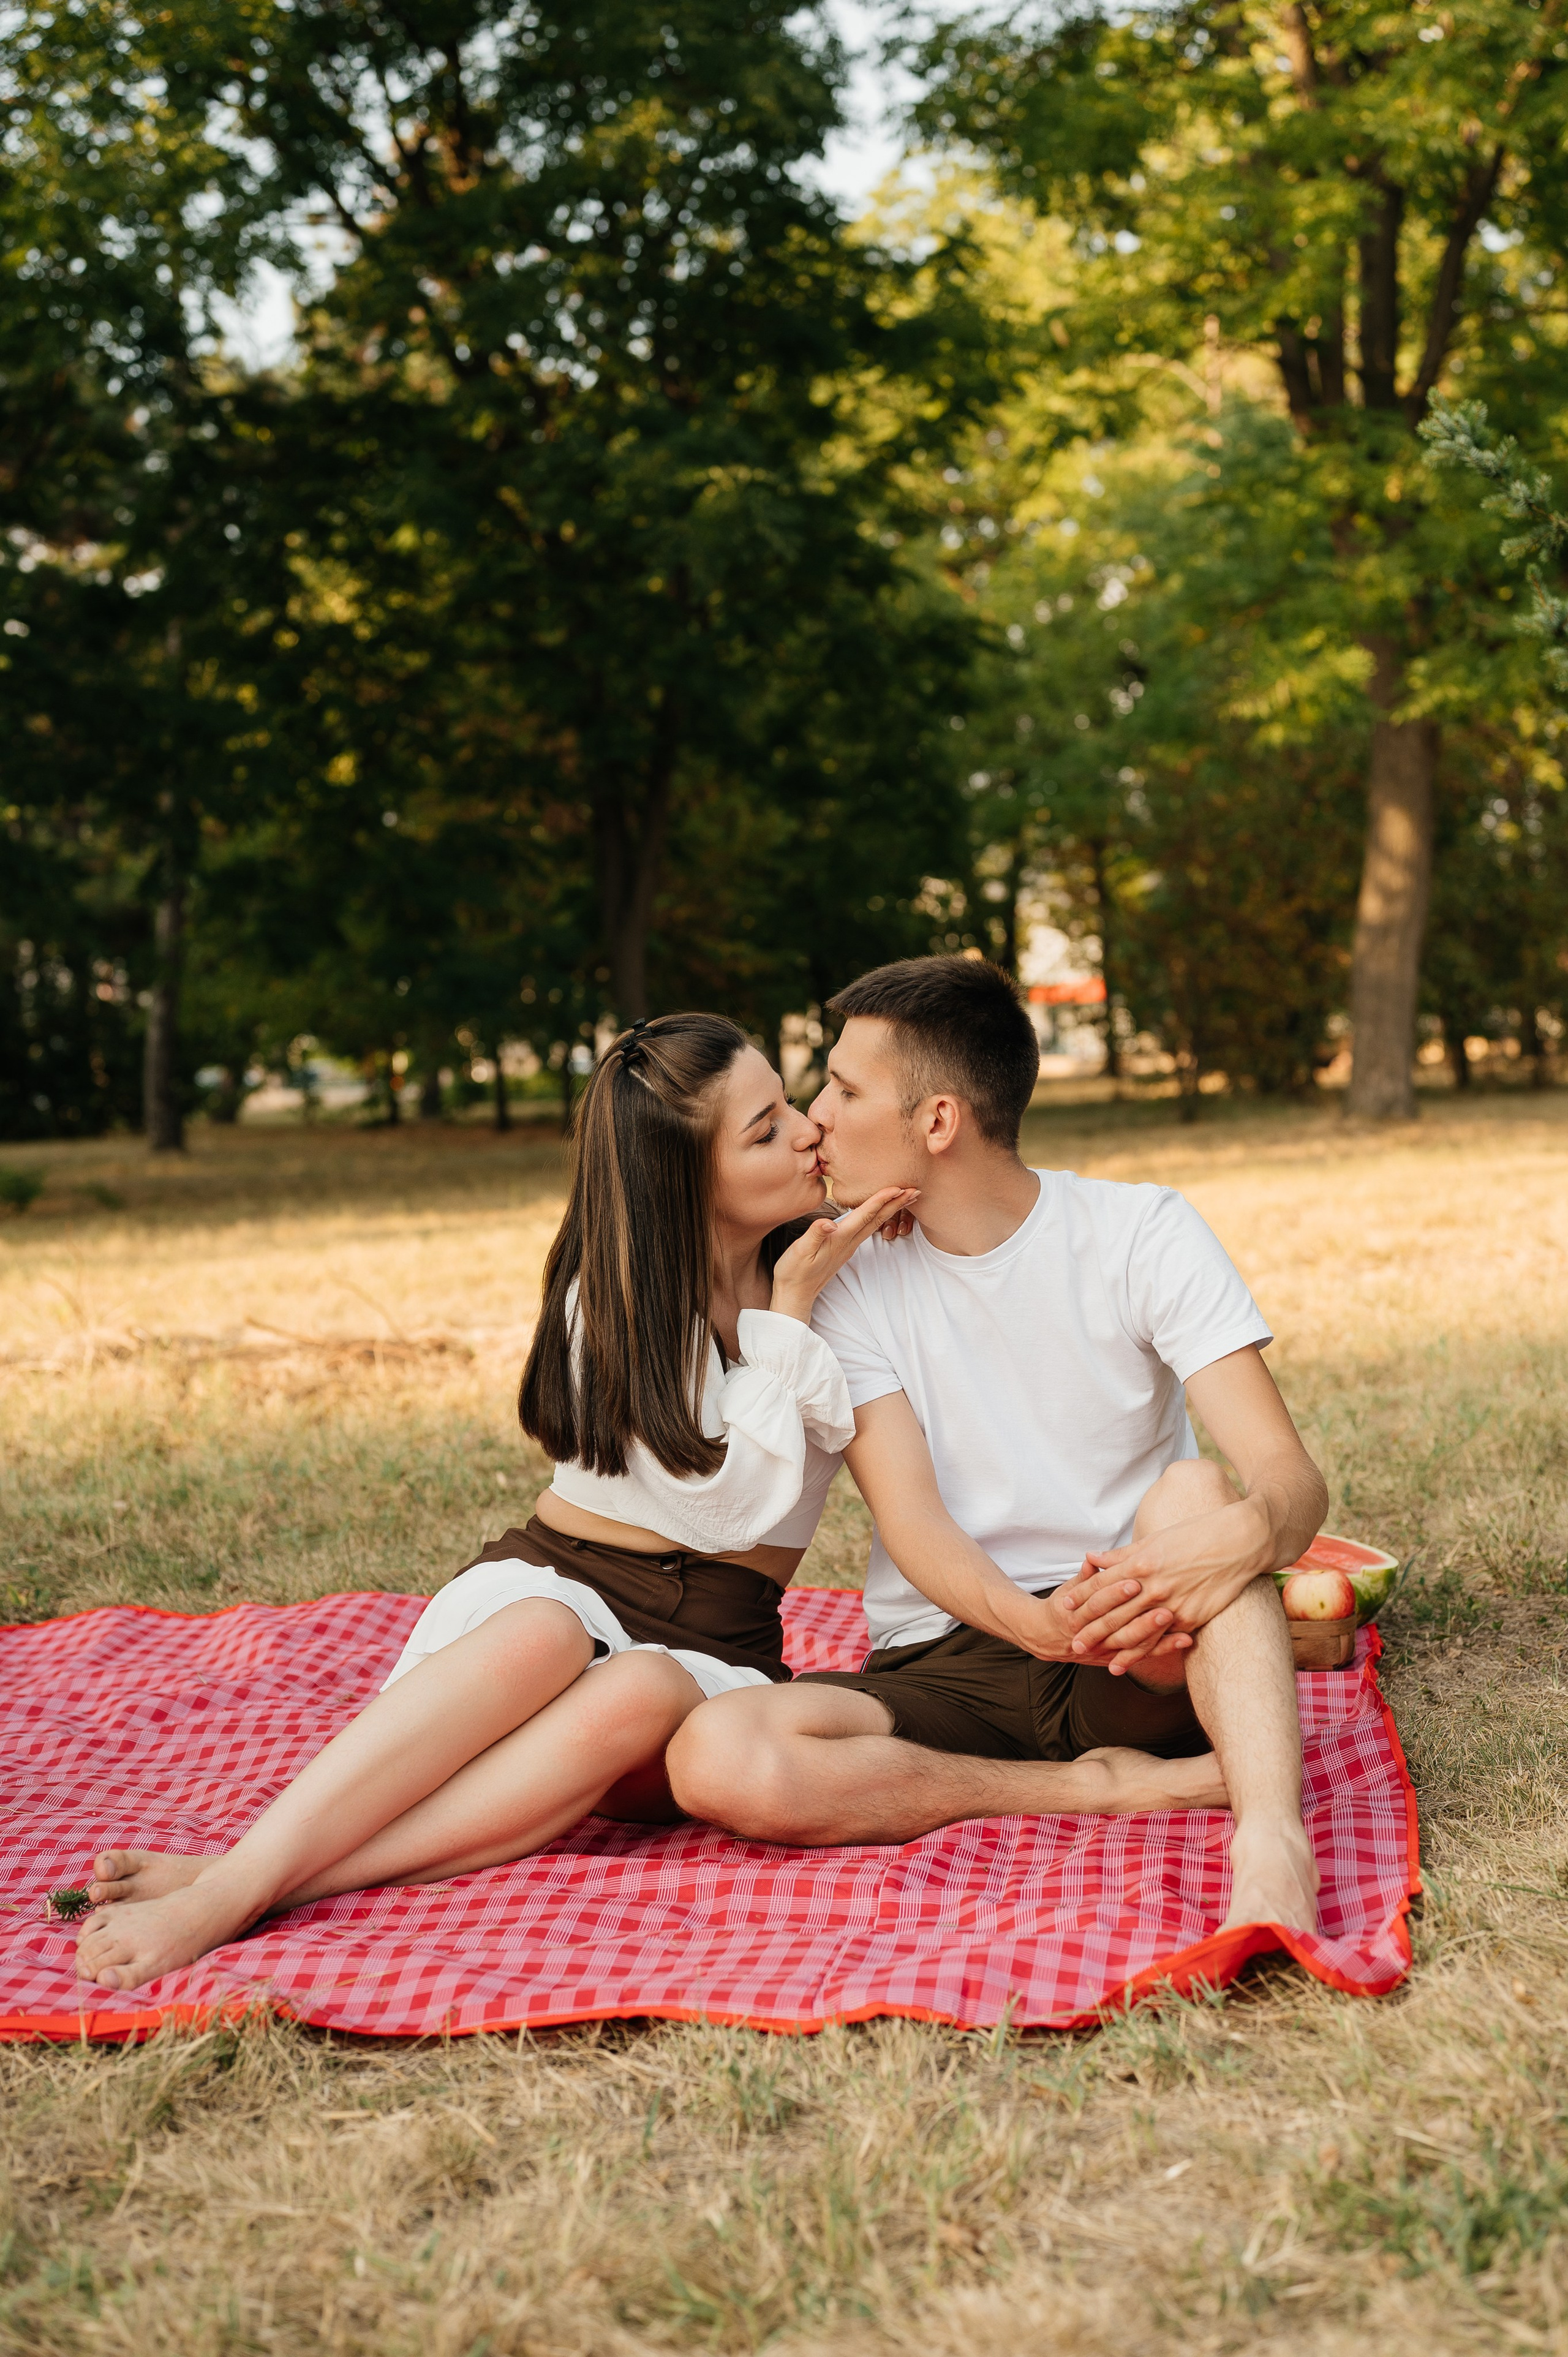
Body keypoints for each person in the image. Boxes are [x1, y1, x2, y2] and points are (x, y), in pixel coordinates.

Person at [73, 1013, 918, 1993]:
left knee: (641, 1687)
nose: (810, 1130)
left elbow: (751, 1528)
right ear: (685, 1179)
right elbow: (724, 1508)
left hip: (713, 1655)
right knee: (545, 1631)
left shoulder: (823, 1270)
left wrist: (805, 1295)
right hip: (556, 1595)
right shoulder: (616, 1301)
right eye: (766, 1129)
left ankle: (243, 1879)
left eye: (792, 1103)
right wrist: (790, 1314)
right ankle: (239, 1886)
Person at [666, 957, 1329, 1935]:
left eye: (845, 1090)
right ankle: (1107, 1792)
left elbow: (1290, 1482)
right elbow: (917, 1523)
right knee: (715, 1756)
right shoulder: (846, 1281)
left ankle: (1271, 1845)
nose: (816, 1117)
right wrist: (1033, 1625)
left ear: (937, 1123)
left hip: (1130, 1639)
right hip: (949, 1655)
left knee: (1196, 1491)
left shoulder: (1141, 1232)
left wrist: (1249, 1533)